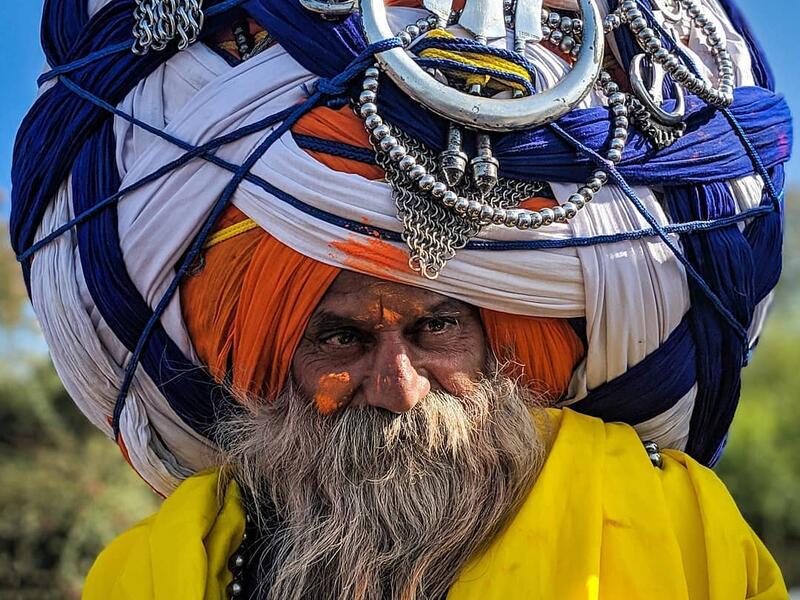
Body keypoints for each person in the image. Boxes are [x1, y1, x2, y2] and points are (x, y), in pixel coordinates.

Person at [9, 0, 792, 598]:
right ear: (275, 359)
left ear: (500, 342)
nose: (398, 386)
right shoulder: (161, 573)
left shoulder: (675, 529)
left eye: (437, 327)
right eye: (341, 339)